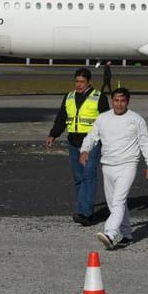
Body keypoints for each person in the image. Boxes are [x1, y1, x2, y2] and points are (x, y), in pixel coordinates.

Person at [79, 88, 148, 250]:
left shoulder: (136, 119)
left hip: (128, 165)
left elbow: (145, 142)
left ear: (127, 102)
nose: (119, 104)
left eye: (122, 101)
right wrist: (85, 149)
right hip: (107, 166)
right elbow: (91, 136)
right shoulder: (103, 118)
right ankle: (127, 235)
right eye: (116, 100)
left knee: (118, 201)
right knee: (115, 204)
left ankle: (110, 234)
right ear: (112, 101)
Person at [46, 68, 110, 225]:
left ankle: (85, 213)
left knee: (89, 175)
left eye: (82, 82)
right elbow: (62, 118)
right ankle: (83, 209)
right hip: (73, 142)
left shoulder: (99, 97)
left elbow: (106, 121)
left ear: (89, 82)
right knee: (78, 178)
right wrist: (53, 134)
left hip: (91, 143)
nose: (78, 84)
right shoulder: (69, 96)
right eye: (77, 81)